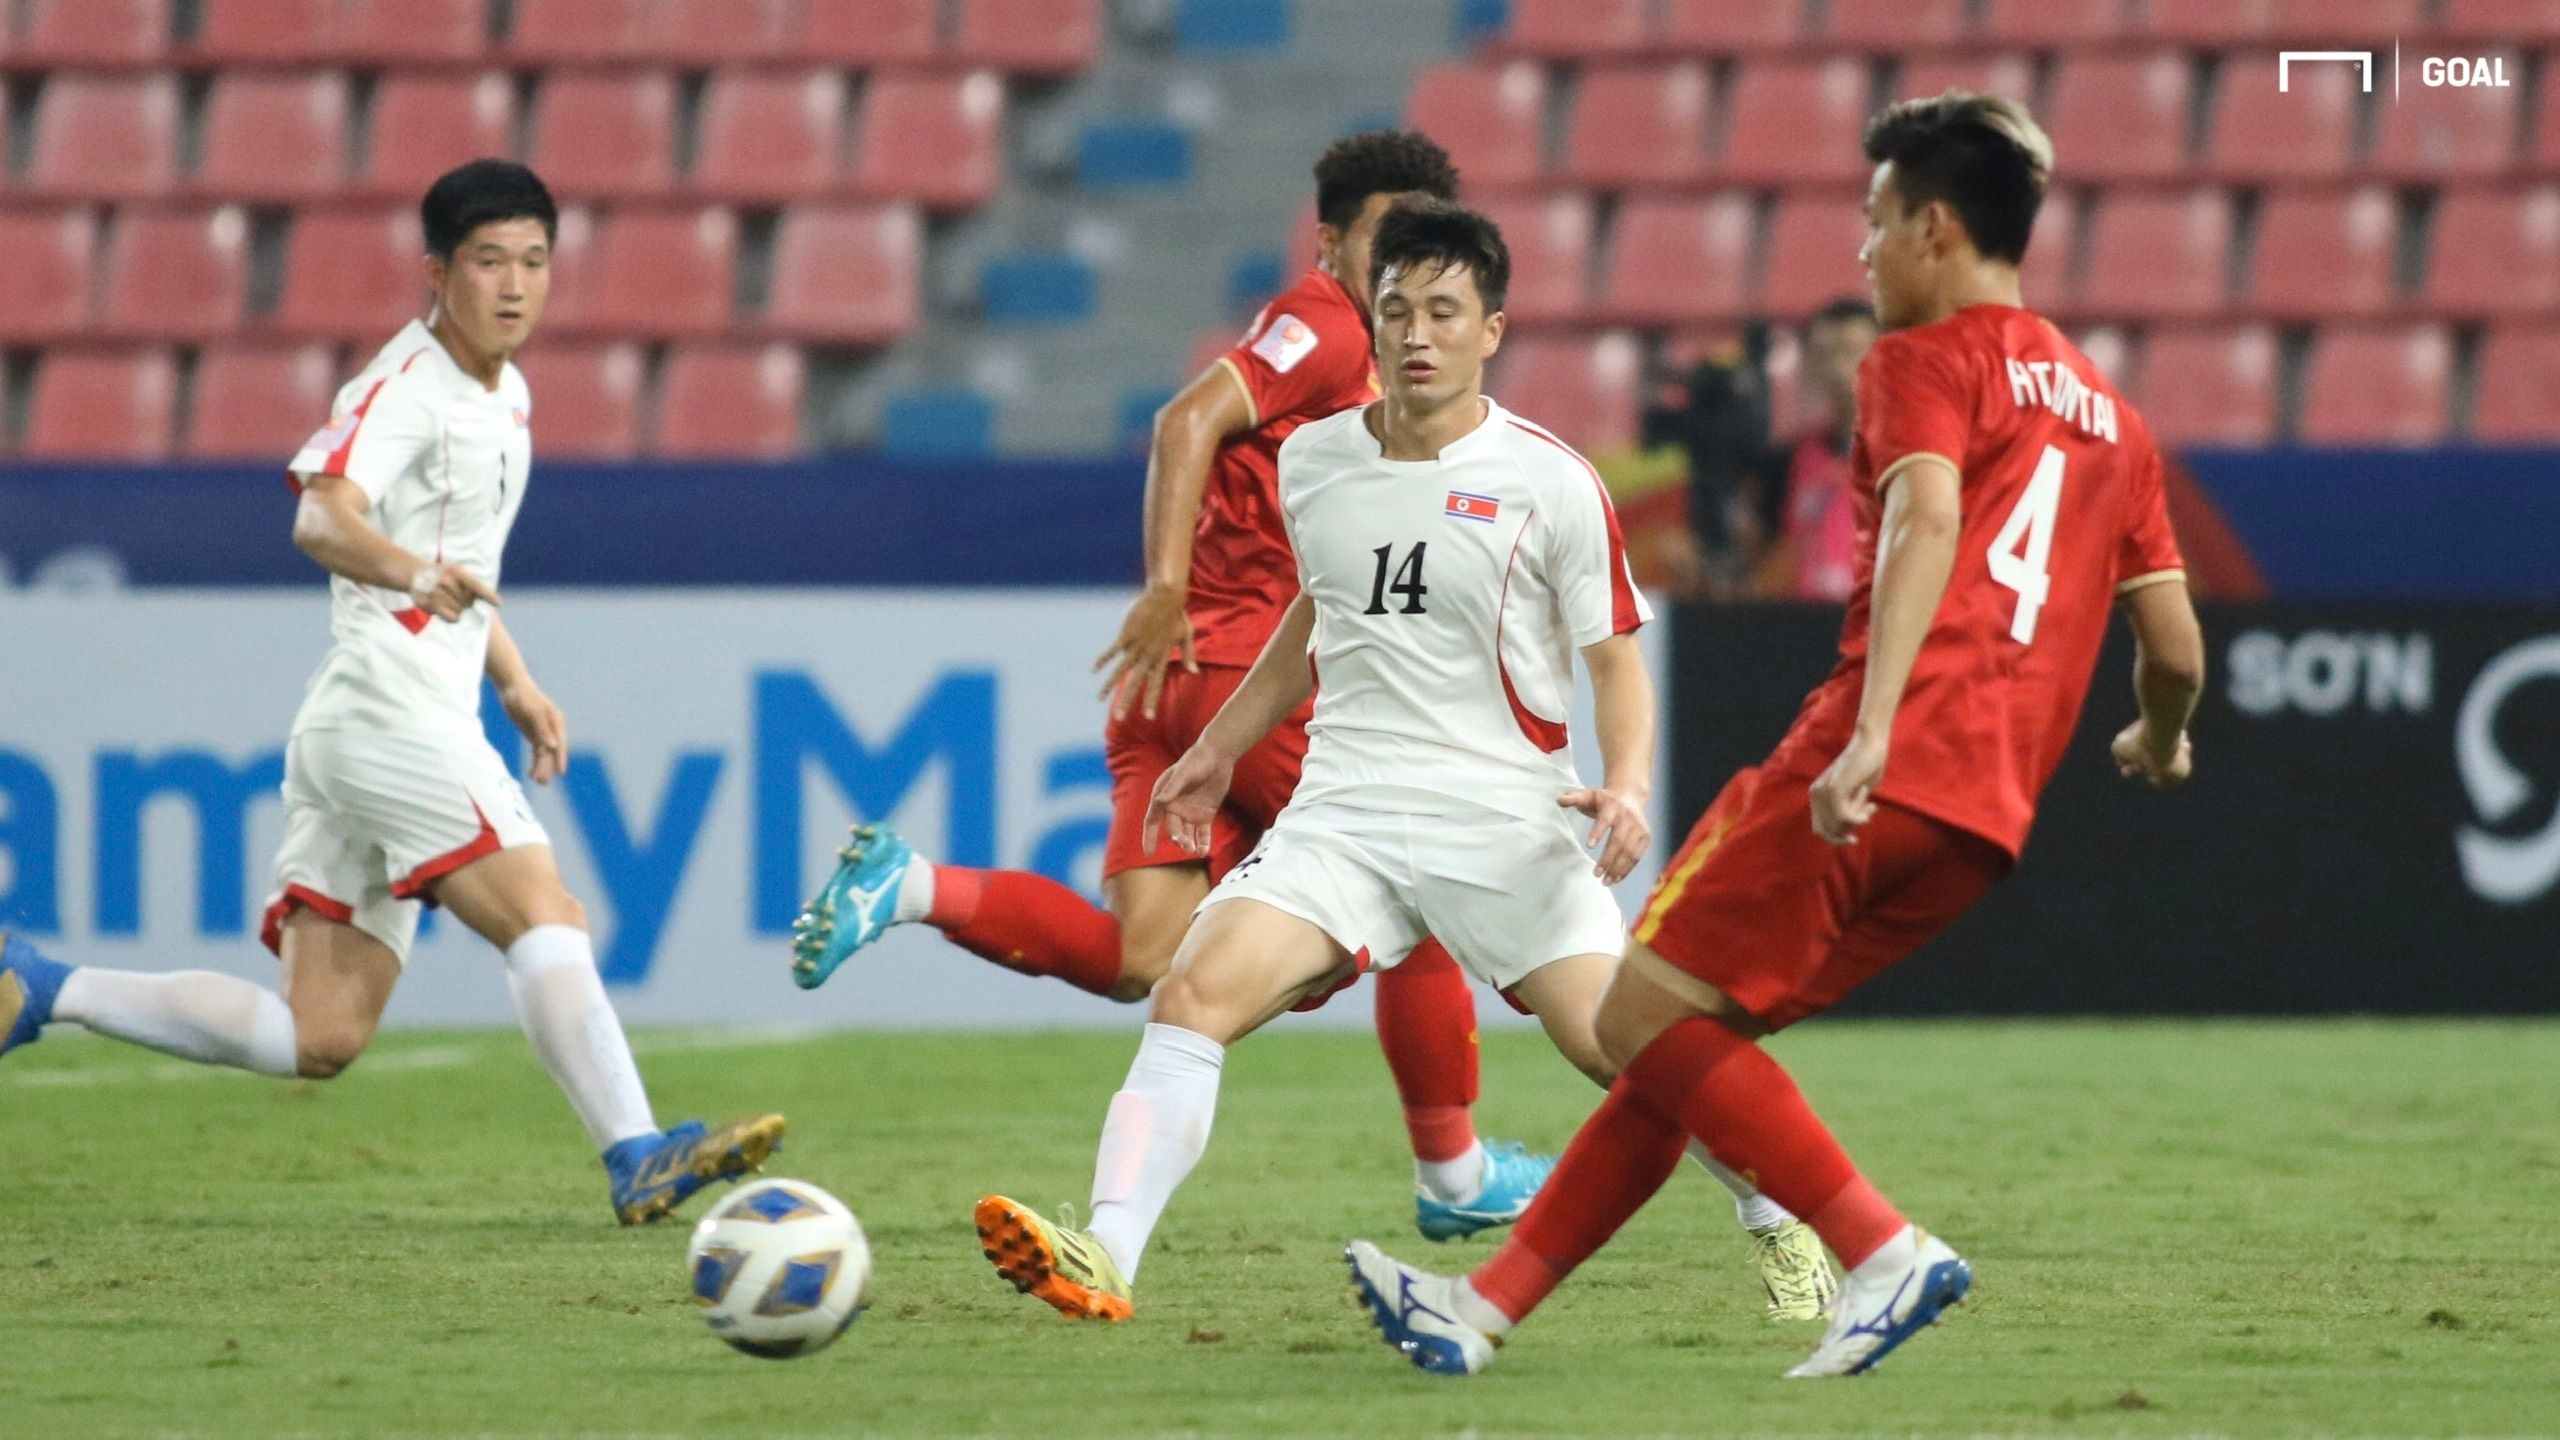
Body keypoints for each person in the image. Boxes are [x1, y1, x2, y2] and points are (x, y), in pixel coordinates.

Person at [1345, 92, 2204, 1379]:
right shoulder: (2114, 421)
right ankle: (1478, 1312)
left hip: (1869, 764)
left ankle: (1878, 1249)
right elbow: (2178, 649)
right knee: (1689, 1045)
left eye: (1872, 224)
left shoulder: (1923, 360)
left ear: (1934, 224)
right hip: (1986, 822)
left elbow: (1921, 523)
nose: (1860, 254)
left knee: (1634, 1017)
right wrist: (2154, 735)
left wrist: (1869, 732)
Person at [964, 200, 1827, 1327]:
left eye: (1443, 312)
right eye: (1396, 311)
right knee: (1190, 992)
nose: (1416, 334)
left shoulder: (1549, 480)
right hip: (1346, 813)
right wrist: (1219, 750)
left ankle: (1781, 1218)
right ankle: (1105, 1254)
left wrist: (1622, 783)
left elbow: (1615, 662)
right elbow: (1315, 618)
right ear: (1368, 324)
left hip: (1501, 817)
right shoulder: (1317, 460)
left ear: (1492, 331)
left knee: (1625, 1049)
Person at [787, 133, 1561, 1245]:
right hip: (1243, 670)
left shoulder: (1350, 344)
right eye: (1383, 240)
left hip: (1169, 691)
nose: (1404, 274)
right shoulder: (1334, 324)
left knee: (1142, 957)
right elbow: (1186, 416)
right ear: (1332, 240)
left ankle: (909, 886)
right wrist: (1163, 586)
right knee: (1416, 885)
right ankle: (1452, 1171)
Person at [0, 161, 783, 1226]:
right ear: (437, 272)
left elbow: (459, 557)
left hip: (378, 715)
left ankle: (44, 987)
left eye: (535, 262)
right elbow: (320, 518)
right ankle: (636, 1152)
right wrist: (415, 578)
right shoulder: (404, 390)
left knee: (316, 1035)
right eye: (489, 261)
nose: (514, 285)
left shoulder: (505, 393)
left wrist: (514, 676)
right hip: (387, 710)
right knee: (544, 914)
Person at [1754, 298, 1879, 602]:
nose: (1837, 367)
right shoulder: (1789, 461)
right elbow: (1777, 556)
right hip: (1806, 630)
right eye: (1825, 354)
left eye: (1851, 351)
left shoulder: (1915, 455)